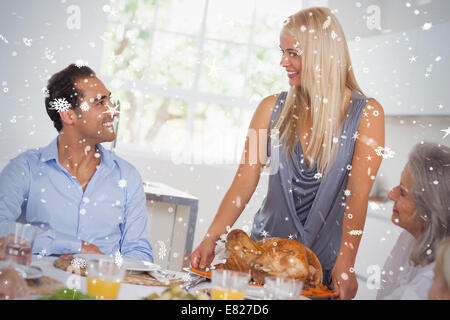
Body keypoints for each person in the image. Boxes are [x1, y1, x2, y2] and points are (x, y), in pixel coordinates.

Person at [190, 7, 385, 299]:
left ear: (322, 56)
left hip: (319, 272)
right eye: (282, 52)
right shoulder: (268, 109)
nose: (283, 62)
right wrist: (211, 238)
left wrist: (347, 264)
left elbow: (357, 196)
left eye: (293, 53)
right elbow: (244, 182)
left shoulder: (368, 116)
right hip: (262, 267)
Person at [0, 64, 153, 262]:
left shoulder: (127, 176)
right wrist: (77, 247)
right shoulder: (24, 168)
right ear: (68, 115)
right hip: (39, 288)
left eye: (109, 99)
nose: (114, 111)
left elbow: (138, 252)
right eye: (100, 103)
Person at [376, 143, 450, 300]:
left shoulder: (434, 281)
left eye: (402, 193)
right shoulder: (408, 238)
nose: (391, 195)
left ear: (428, 211)